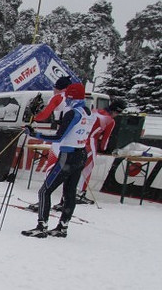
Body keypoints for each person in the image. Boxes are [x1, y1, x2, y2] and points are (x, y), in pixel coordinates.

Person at [21, 81, 93, 238]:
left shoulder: (72, 113)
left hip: (67, 156)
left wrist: (35, 134)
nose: (66, 100)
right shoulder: (88, 112)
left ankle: (42, 226)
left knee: (45, 191)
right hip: (81, 154)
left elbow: (59, 136)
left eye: (68, 97)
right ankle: (62, 227)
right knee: (69, 192)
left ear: (72, 97)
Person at [76, 99, 124, 203]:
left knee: (76, 167)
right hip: (91, 142)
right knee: (87, 169)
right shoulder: (110, 120)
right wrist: (104, 149)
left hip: (80, 139)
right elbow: (105, 140)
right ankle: (80, 193)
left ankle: (71, 190)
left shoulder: (95, 111)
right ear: (116, 111)